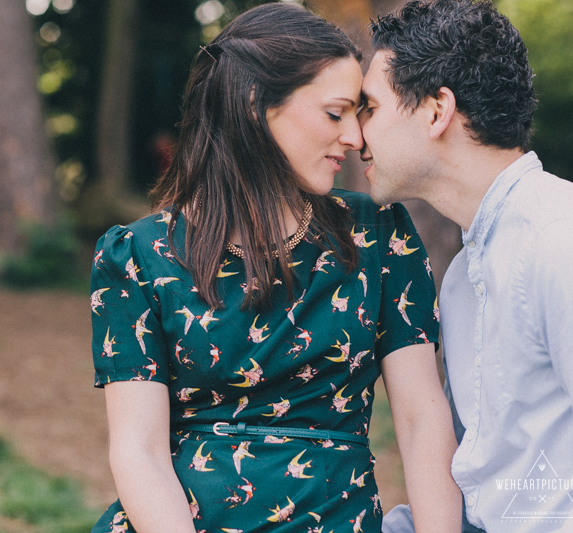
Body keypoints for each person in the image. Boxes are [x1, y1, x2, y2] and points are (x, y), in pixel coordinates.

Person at [89, 3, 461, 532]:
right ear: (253, 105)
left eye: (359, 114)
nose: (355, 138)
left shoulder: (378, 234)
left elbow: (422, 419)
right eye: (336, 113)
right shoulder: (138, 257)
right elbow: (138, 451)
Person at [358, 1, 573, 532]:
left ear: (436, 111)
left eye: (370, 108)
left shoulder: (567, 241)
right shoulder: (463, 277)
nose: (357, 135)